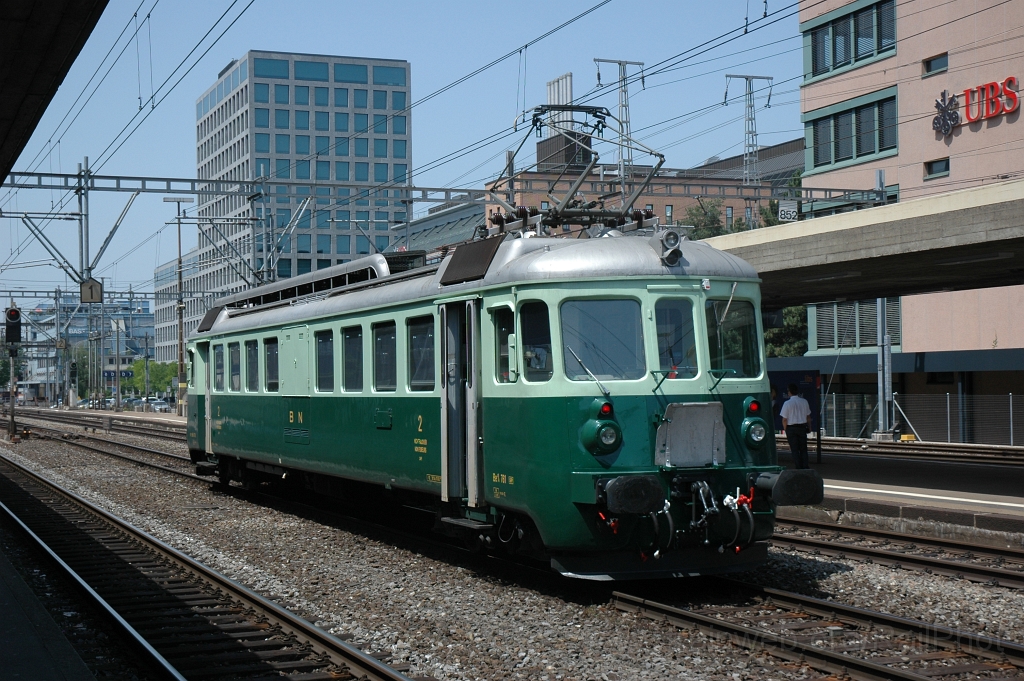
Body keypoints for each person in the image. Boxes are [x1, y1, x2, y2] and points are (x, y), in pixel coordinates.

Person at [780, 383, 812, 469]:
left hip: (791, 428)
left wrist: (785, 429)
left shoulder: (787, 403)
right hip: (802, 427)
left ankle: (798, 466)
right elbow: (808, 417)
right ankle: (805, 466)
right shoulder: (804, 401)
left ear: (789, 392)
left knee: (794, 449)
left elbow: (784, 419)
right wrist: (809, 427)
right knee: (803, 449)